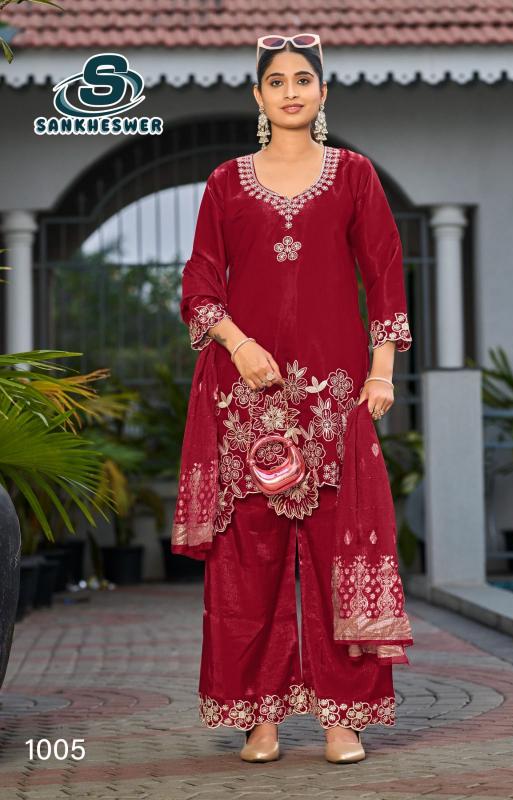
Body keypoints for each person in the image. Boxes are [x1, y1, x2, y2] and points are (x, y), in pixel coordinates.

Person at [171, 32, 414, 764]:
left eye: (302, 79)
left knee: (343, 552)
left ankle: (344, 719)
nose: (290, 92)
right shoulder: (225, 183)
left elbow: (385, 273)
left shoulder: (354, 176)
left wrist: (381, 372)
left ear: (323, 92)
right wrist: (239, 345)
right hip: (247, 399)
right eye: (275, 81)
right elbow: (199, 284)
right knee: (250, 562)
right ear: (258, 96)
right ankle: (260, 720)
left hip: (335, 396)